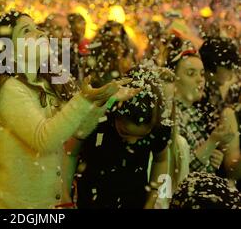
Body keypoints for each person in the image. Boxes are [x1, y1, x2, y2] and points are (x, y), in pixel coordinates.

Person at [0, 11, 132, 209]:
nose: (40, 32)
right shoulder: (8, 88)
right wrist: (83, 99)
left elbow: (79, 130)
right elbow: (44, 140)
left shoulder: (45, 82)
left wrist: (104, 100)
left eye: (36, 27)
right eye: (26, 31)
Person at [72, 64, 172, 209]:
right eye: (125, 132)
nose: (131, 141)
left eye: (141, 137)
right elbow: (70, 153)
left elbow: (161, 160)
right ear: (115, 113)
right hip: (91, 197)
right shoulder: (98, 115)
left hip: (135, 199)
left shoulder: (160, 125)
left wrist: (152, 197)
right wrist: (65, 194)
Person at [166, 38, 241, 181]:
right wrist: (213, 141)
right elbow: (178, 170)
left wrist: (214, 156)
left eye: (201, 74)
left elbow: (201, 158)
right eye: (190, 73)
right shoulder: (170, 115)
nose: (200, 80)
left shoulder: (194, 112)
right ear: (173, 79)